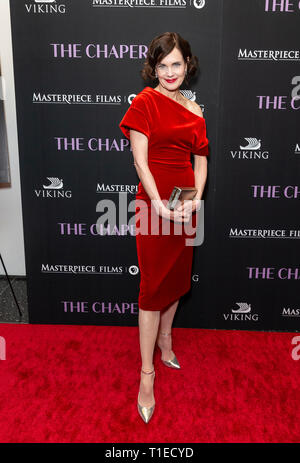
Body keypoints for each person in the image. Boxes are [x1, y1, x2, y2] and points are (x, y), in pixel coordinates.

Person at [119, 32, 209, 423]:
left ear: (187, 64)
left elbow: (201, 159)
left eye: (176, 63)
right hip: (153, 206)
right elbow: (140, 161)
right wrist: (158, 205)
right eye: (162, 65)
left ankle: (167, 342)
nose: (170, 72)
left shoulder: (195, 109)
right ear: (153, 68)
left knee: (176, 281)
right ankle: (146, 374)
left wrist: (195, 199)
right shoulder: (145, 102)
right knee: (153, 288)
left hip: (185, 204)